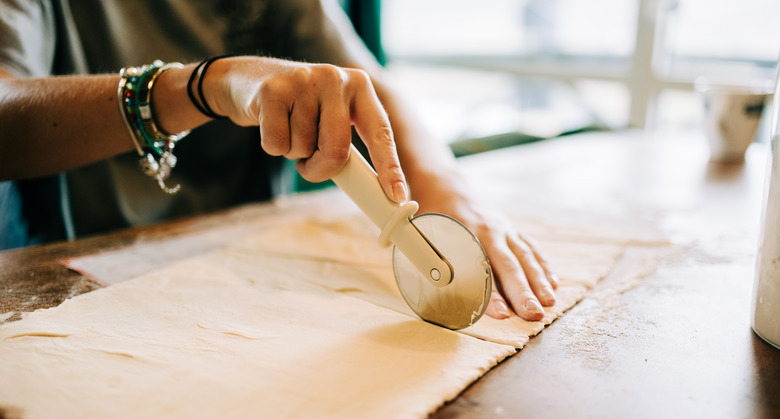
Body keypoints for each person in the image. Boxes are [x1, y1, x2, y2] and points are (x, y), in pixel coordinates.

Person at [0, 0, 558, 321]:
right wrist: (203, 87)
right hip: (77, 283)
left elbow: (373, 87)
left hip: (247, 274)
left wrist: (443, 186)